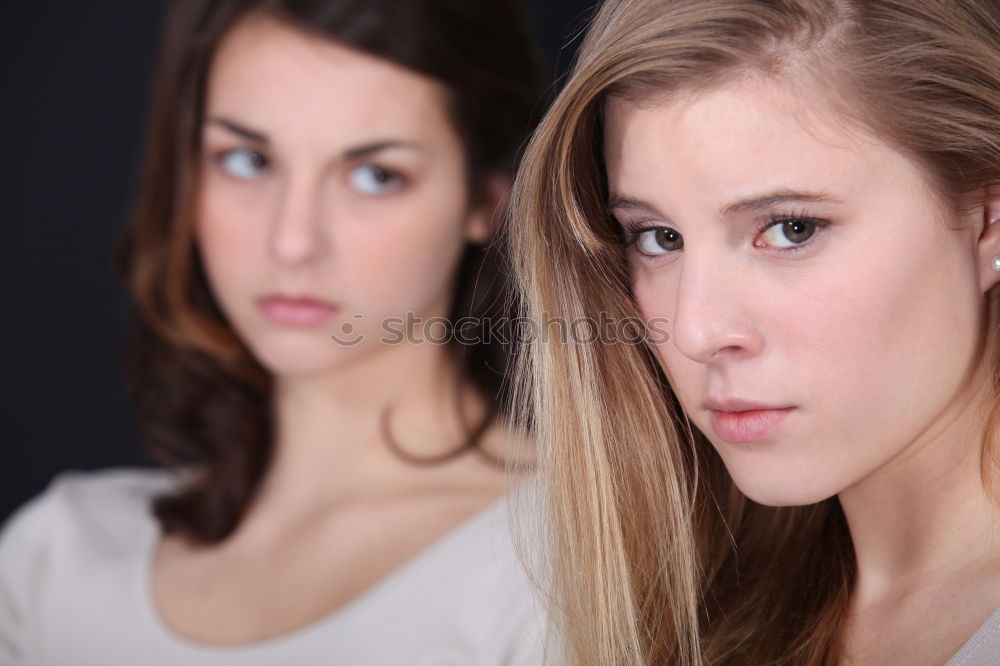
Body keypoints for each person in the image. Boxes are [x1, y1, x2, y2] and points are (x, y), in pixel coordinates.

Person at [0, 1, 548, 664]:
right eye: (247, 160)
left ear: (488, 200)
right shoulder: (54, 562)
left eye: (374, 175)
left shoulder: (565, 570)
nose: (292, 242)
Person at [508, 0, 1000, 664]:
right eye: (659, 238)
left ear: (988, 217)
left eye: (791, 228)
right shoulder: (697, 617)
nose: (695, 329)